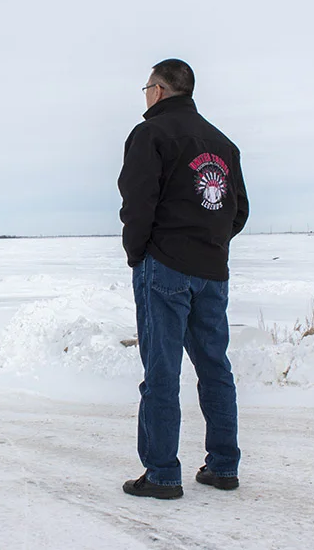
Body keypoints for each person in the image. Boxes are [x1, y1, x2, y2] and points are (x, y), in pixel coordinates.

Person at [118, 58, 249, 499]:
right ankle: (224, 467)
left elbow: (138, 202)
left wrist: (139, 252)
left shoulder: (150, 134)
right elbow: (238, 210)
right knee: (216, 368)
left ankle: (161, 475)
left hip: (166, 266)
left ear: (157, 90)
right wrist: (211, 243)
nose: (145, 96)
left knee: (161, 370)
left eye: (146, 88)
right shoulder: (223, 144)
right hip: (212, 270)